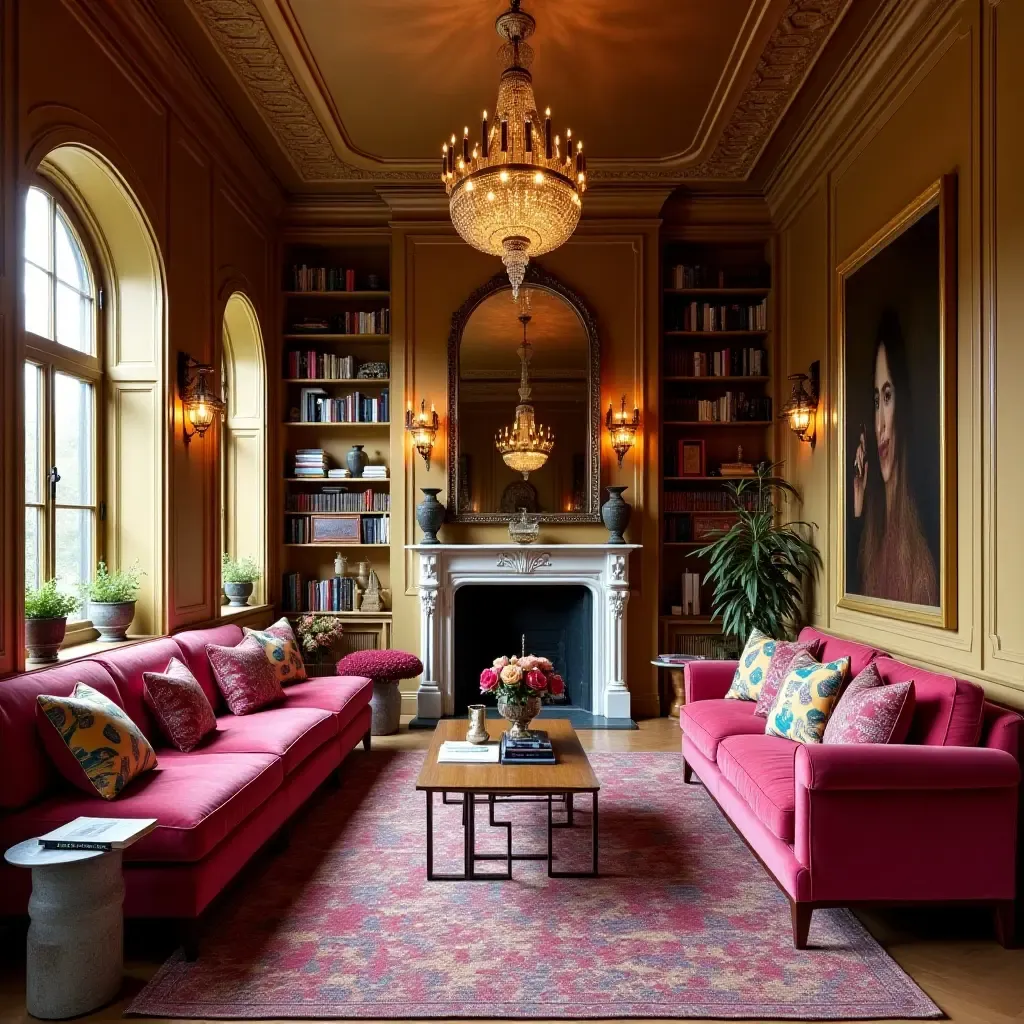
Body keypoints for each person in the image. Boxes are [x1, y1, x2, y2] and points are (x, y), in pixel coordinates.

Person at [852, 310, 939, 606]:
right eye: (876, 400)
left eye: (887, 397)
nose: (880, 425)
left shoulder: (921, 570)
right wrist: (857, 507)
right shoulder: (870, 537)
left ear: (904, 403)